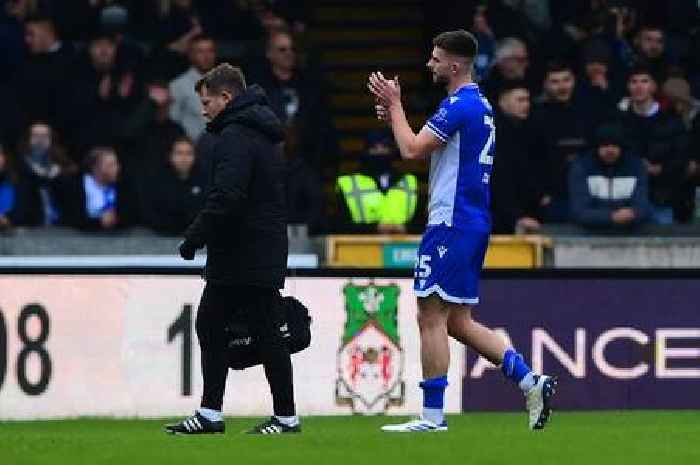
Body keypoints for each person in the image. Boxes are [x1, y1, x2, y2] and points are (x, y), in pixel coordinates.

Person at [369, 30, 556, 433]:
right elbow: (424, 145)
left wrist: (396, 105)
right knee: (456, 321)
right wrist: (395, 116)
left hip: (451, 223)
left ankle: (432, 417)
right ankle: (530, 381)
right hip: (470, 222)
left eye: (436, 59)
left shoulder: (459, 105)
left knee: (429, 315)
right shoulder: (479, 105)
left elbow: (411, 151)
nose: (429, 64)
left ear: (454, 65)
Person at [166, 64, 298, 435]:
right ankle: (231, 414)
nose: (203, 109)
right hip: (260, 247)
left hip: (243, 251)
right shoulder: (262, 132)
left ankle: (267, 417)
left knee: (223, 326)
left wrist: (194, 237)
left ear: (227, 98)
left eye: (207, 102)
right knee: (250, 328)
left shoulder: (235, 135)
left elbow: (228, 195)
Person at [617, 65, 690, 224]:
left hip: (662, 197)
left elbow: (682, 155)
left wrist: (660, 169)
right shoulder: (620, 121)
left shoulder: (672, 120)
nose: (639, 87)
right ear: (628, 86)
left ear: (654, 86)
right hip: (627, 199)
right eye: (633, 81)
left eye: (644, 81)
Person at [530, 61, 595, 223]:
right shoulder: (535, 116)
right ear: (545, 84)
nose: (562, 86)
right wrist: (540, 193)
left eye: (566, 80)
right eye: (555, 82)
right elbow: (531, 158)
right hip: (552, 197)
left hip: (588, 192)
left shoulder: (588, 112)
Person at [335, 129, 420, 234]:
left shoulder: (409, 182)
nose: (380, 152)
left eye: (385, 147)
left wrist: (405, 229)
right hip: (361, 247)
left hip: (403, 247)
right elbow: (339, 226)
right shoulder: (347, 184)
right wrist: (375, 228)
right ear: (365, 152)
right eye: (374, 148)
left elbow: (422, 223)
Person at [569, 123, 650, 230]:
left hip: (630, 230)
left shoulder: (635, 167)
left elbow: (642, 206)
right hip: (589, 232)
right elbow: (579, 211)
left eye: (614, 145)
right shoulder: (582, 167)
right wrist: (611, 217)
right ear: (597, 147)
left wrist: (633, 213)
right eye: (605, 145)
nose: (610, 150)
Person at [490, 81, 545, 234]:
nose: (526, 105)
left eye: (527, 100)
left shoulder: (532, 129)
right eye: (520, 100)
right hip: (498, 219)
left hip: (528, 215)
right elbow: (498, 182)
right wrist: (515, 217)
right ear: (503, 102)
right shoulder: (491, 133)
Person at [56, 146, 135, 231]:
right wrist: (98, 221)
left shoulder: (123, 188)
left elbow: (131, 217)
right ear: (95, 168)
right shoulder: (75, 187)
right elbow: (71, 219)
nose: (117, 168)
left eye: (116, 164)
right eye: (110, 165)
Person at [143, 136, 205, 235]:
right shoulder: (157, 181)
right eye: (179, 153)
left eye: (189, 153)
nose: (184, 158)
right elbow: (152, 212)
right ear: (171, 156)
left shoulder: (204, 179)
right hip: (162, 236)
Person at [169, 35, 217, 141]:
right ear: (191, 55)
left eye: (210, 51)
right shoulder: (178, 85)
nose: (206, 56)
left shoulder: (226, 84)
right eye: (200, 52)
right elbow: (173, 122)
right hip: (192, 150)